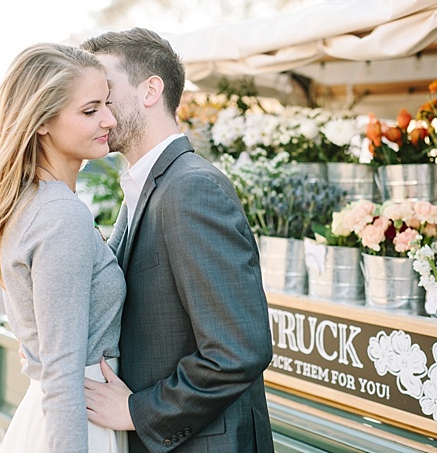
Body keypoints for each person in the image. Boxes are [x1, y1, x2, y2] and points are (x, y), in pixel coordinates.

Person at [81, 28, 275, 452]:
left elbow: (238, 349)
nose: (96, 109)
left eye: (106, 91)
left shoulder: (191, 189)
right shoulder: (146, 185)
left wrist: (138, 411)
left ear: (151, 90)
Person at [0, 43, 126, 453]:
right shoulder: (60, 216)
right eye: (90, 110)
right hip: (77, 423)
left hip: (61, 414)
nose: (109, 118)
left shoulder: (31, 203)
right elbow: (62, 373)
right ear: (42, 122)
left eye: (107, 102)